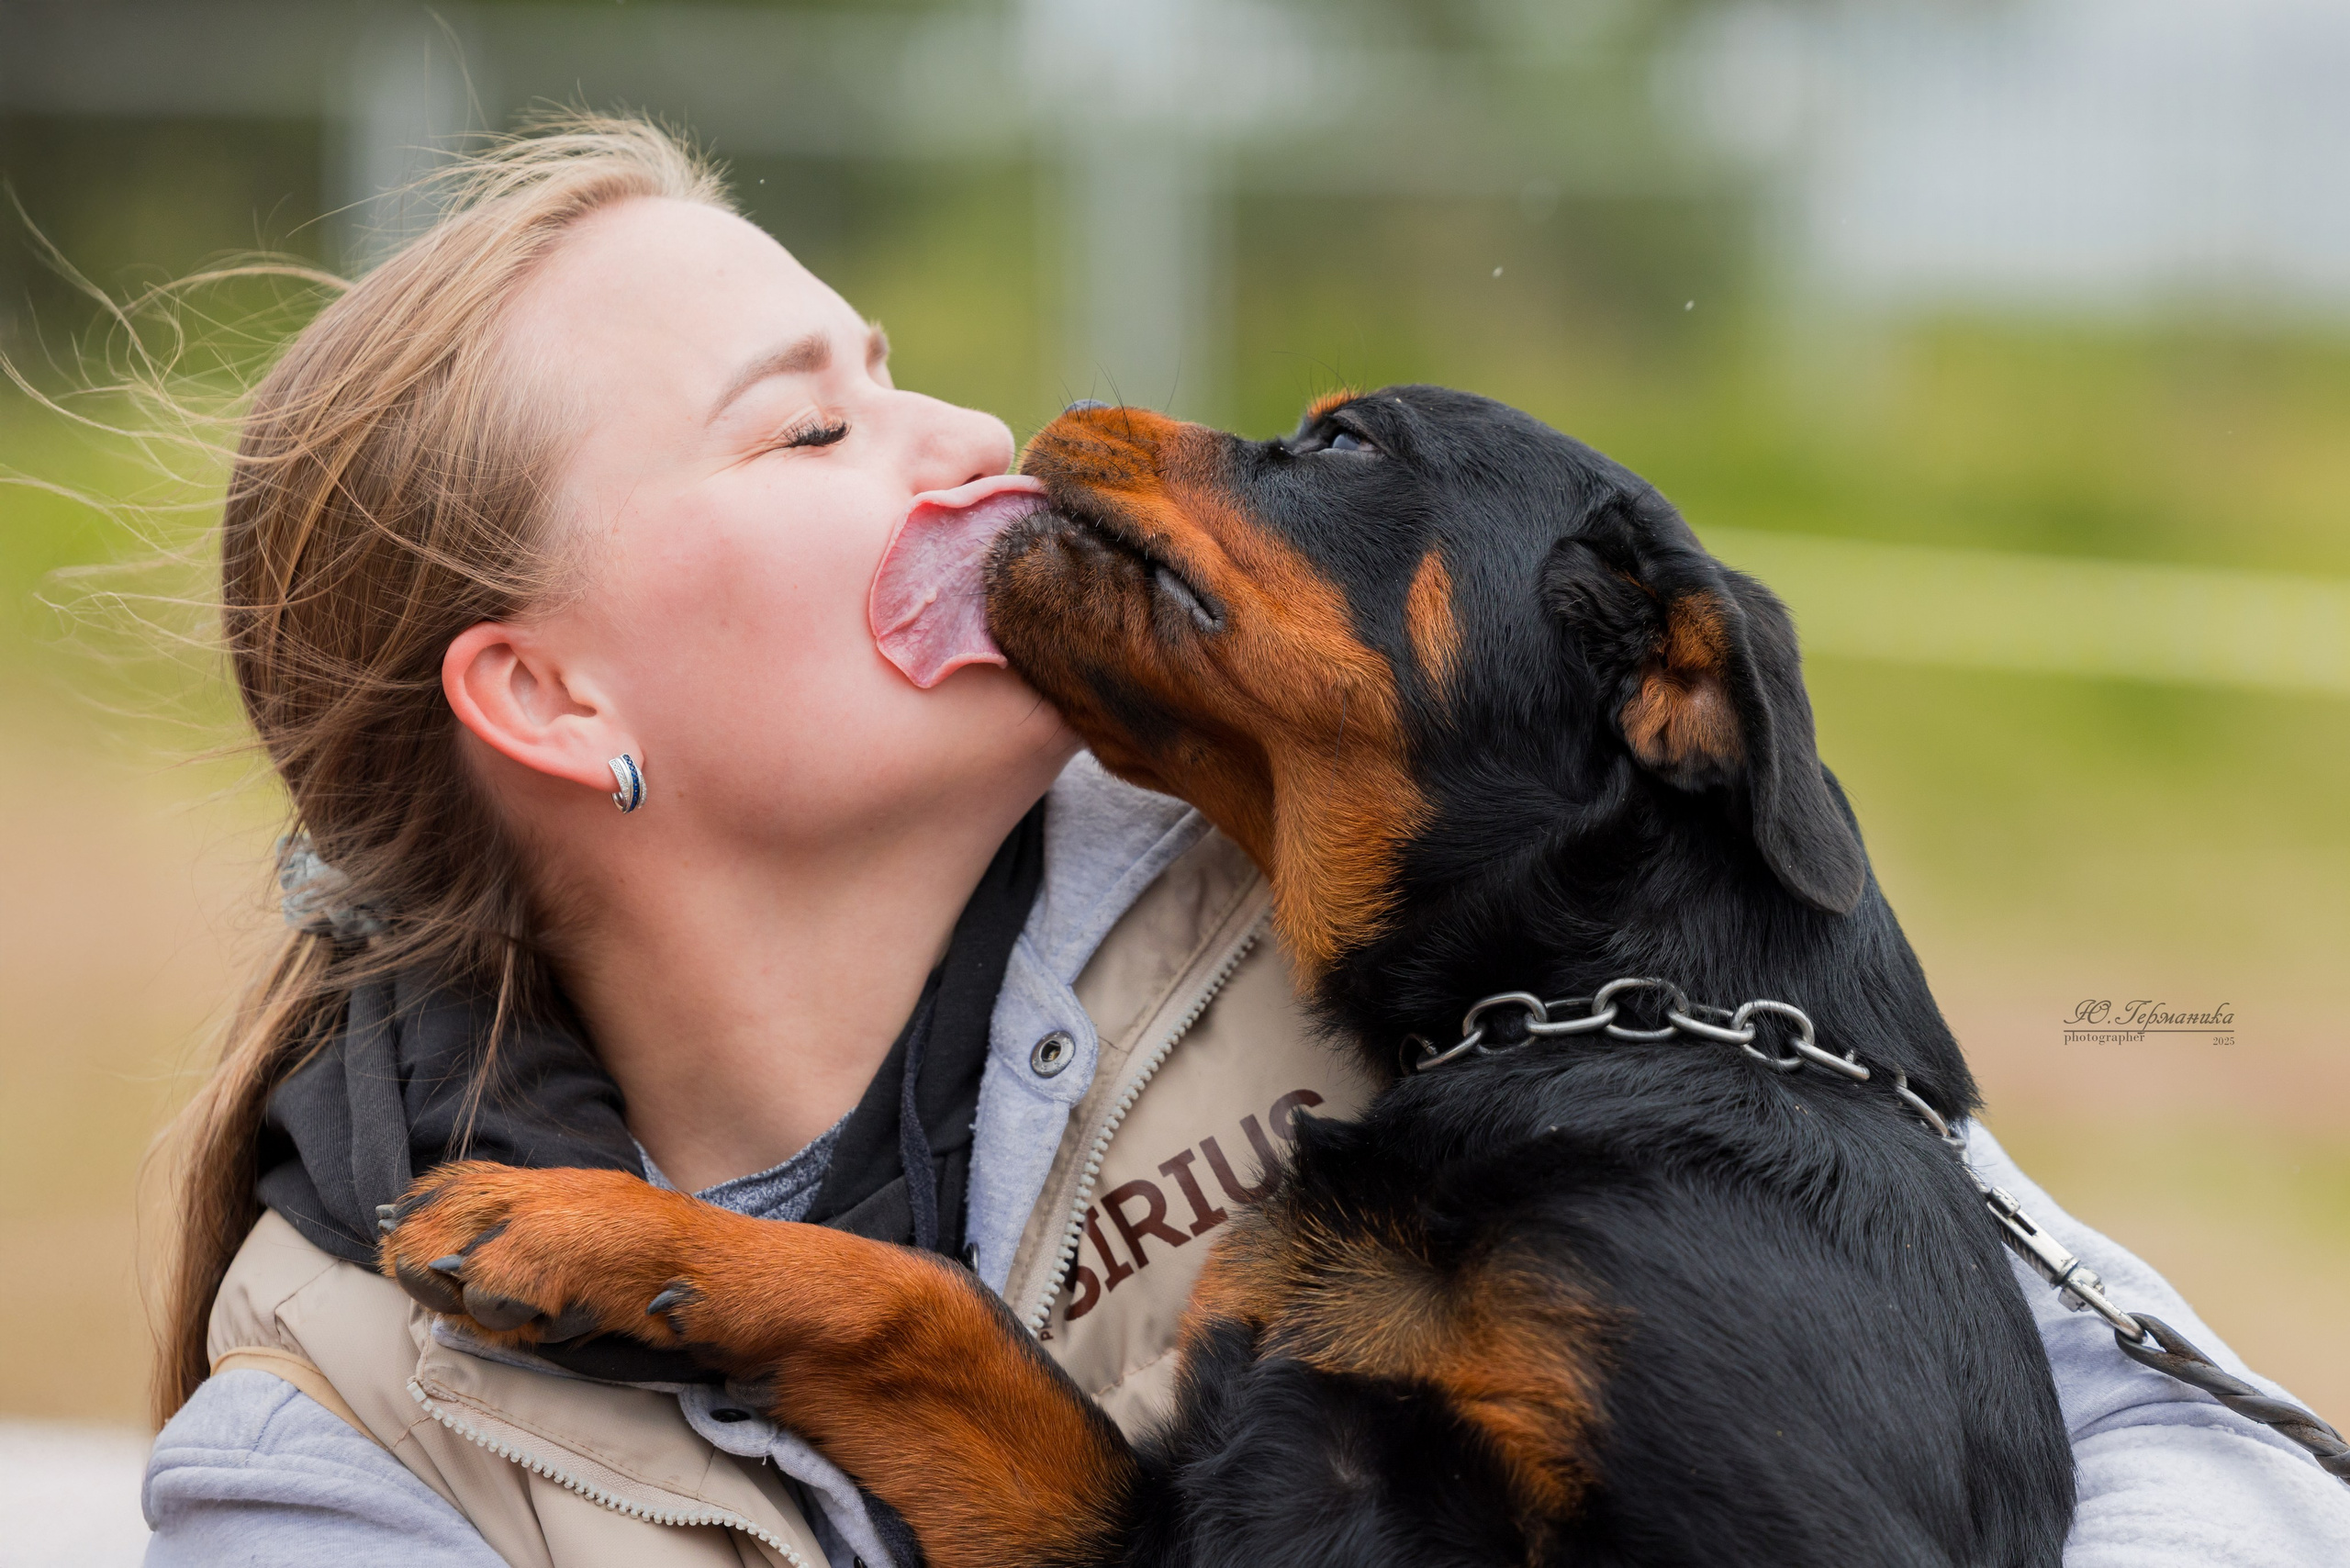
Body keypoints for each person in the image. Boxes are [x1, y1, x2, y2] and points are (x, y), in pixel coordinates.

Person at [132, 117, 2347, 1568]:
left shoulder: (1423, 922)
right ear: (548, 695)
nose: (975, 440)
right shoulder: (333, 1436)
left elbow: (2205, 1465)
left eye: (898, 365)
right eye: (806, 424)